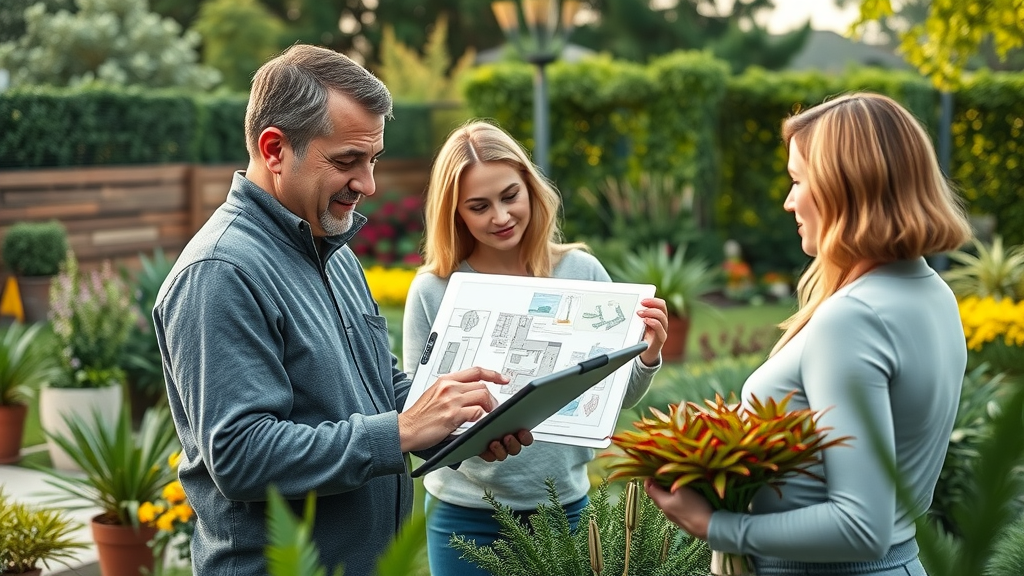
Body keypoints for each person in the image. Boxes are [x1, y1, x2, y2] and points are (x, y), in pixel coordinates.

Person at [153, 45, 531, 576]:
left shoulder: (334, 253)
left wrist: (461, 426)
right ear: (275, 149)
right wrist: (401, 431)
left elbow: (379, 385)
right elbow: (241, 456)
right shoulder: (221, 272)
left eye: (372, 159)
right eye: (347, 161)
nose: (368, 184)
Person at [645, 92, 973, 575]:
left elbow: (862, 526)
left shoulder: (853, 317)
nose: (788, 200)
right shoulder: (929, 292)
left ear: (846, 186)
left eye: (799, 181)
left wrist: (717, 527)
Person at [402, 120, 670, 576]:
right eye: (479, 206)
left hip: (564, 508)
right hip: (465, 516)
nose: (501, 217)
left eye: (510, 196)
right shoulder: (434, 289)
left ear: (530, 187)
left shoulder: (582, 272)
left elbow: (609, 399)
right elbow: (422, 411)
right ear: (455, 213)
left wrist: (646, 355)